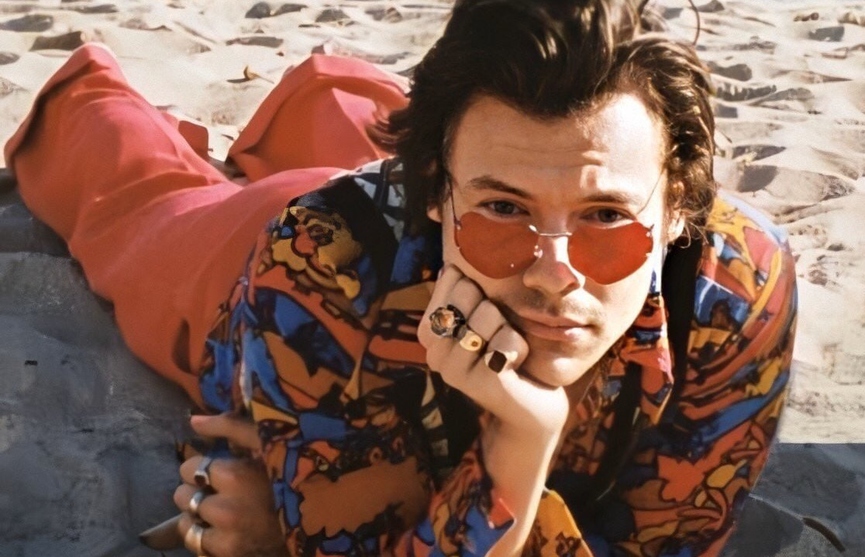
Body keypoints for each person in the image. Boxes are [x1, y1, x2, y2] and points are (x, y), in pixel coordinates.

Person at [4, 0, 797, 555]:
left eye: (605, 217)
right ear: (433, 192)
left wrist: (518, 439)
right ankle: (90, 95)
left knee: (481, 150)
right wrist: (517, 447)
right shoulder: (318, 266)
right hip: (270, 249)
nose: (554, 275)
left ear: (678, 209)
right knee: (133, 204)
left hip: (423, 211)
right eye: (503, 210)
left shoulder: (735, 291)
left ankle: (341, 101)